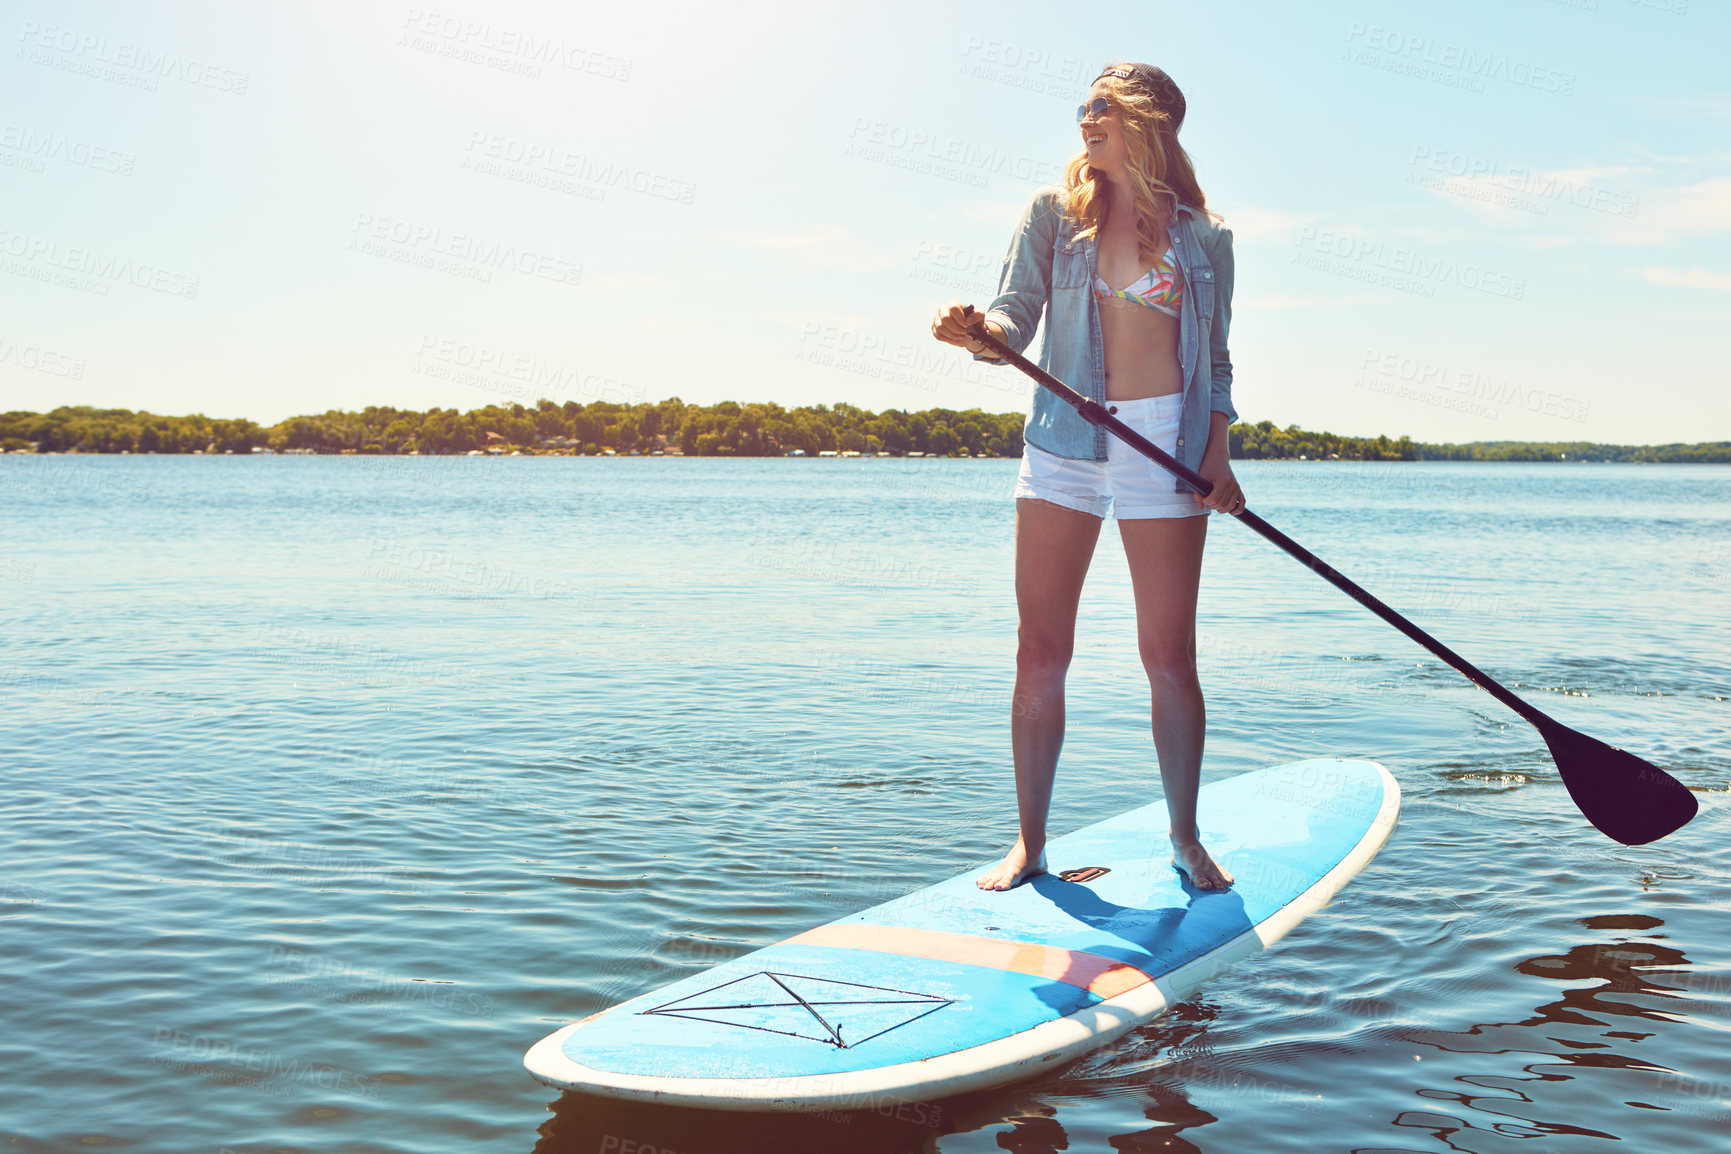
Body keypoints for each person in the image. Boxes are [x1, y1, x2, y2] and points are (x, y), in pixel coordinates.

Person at [930, 62, 1245, 892]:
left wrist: (1215, 458)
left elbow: (1214, 364)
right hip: (1063, 447)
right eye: (1081, 107)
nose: (1082, 121)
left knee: (1168, 655)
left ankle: (1183, 835)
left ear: (1148, 122)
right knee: (1039, 650)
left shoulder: (1205, 241)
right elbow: (1013, 315)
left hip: (1166, 449)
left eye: (1099, 106)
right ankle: (1030, 845)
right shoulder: (1050, 215)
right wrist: (976, 333)